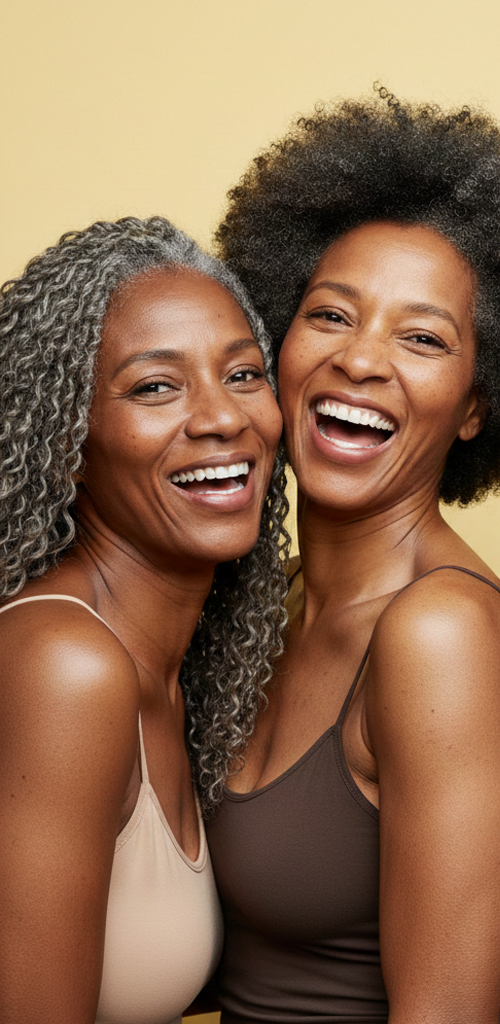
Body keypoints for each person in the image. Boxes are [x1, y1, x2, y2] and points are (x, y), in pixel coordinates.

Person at [206, 89, 500, 1023]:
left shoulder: (439, 632)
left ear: (475, 405)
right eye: (332, 316)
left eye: (422, 338)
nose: (362, 361)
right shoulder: (275, 600)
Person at [0, 216, 289, 1024]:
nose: (222, 419)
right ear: (68, 442)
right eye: (155, 387)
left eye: (243, 374)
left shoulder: (178, 663)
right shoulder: (65, 665)